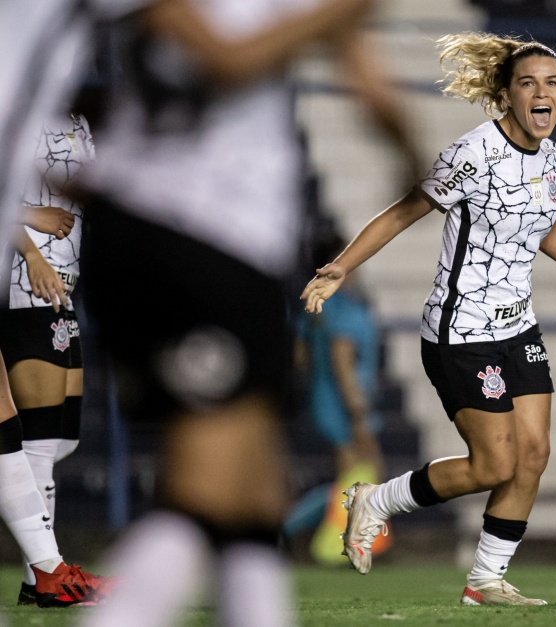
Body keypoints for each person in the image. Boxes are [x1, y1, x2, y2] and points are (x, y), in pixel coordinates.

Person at [73, 1, 420, 625]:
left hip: (173, 237)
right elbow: (233, 61)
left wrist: (410, 154)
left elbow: (376, 94)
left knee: (257, 496)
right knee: (204, 492)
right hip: (202, 236)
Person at [301, 32, 556, 606]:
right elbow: (406, 209)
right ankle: (374, 500)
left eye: (552, 82)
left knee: (534, 455)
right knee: (495, 463)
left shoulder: (549, 155)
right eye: (529, 83)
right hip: (461, 332)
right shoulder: (472, 154)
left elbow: (543, 226)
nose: (542, 92)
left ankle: (485, 581)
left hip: (517, 327)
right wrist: (341, 267)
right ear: (506, 95)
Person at [0, 113, 110, 606]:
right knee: (32, 438)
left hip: (64, 286)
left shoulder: (79, 119)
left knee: (58, 438)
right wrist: (32, 249)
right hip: (26, 286)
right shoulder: (20, 98)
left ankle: (44, 572)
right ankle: (44, 576)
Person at [283, 231, 390, 564]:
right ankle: (303, 533)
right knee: (360, 478)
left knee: (352, 480)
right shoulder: (345, 304)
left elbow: (299, 359)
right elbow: (343, 360)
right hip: (344, 404)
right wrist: (357, 411)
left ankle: (323, 537)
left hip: (324, 398)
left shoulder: (317, 305)